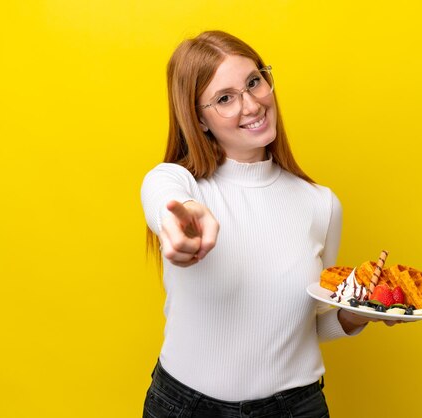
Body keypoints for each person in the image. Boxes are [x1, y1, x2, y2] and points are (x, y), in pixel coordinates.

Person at [141, 30, 396, 418]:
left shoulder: (320, 205)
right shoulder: (182, 186)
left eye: (254, 82)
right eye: (224, 98)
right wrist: (181, 219)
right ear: (199, 119)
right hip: (186, 407)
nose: (252, 105)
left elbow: (302, 328)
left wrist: (353, 314)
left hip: (295, 408)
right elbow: (161, 191)